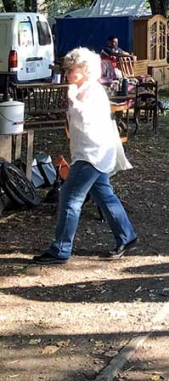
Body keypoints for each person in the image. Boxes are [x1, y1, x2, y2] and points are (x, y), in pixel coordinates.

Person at [32, 48, 137, 265]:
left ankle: (61, 250)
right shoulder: (87, 89)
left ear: (85, 70)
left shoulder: (91, 92)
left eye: (72, 69)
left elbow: (87, 120)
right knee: (104, 196)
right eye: (67, 69)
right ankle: (127, 236)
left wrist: (73, 101)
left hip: (92, 154)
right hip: (93, 152)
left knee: (70, 197)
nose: (68, 73)